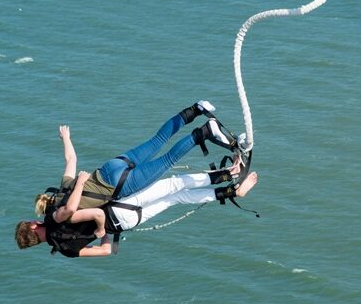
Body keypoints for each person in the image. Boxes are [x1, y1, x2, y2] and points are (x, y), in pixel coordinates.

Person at [37, 100, 237, 215]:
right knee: (157, 140)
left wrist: (81, 186)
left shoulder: (62, 212)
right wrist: (66, 138)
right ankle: (195, 109)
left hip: (119, 185)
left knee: (168, 160)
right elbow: (71, 159)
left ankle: (204, 132)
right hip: (110, 167)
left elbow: (71, 210)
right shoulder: (64, 186)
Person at [15, 170, 259, 257]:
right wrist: (100, 226)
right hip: (118, 209)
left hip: (126, 223)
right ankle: (229, 175)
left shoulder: (65, 251)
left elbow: (106, 250)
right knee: (173, 185)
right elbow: (93, 215)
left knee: (176, 198)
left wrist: (106, 235)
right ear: (34, 228)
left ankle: (231, 191)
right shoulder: (57, 220)